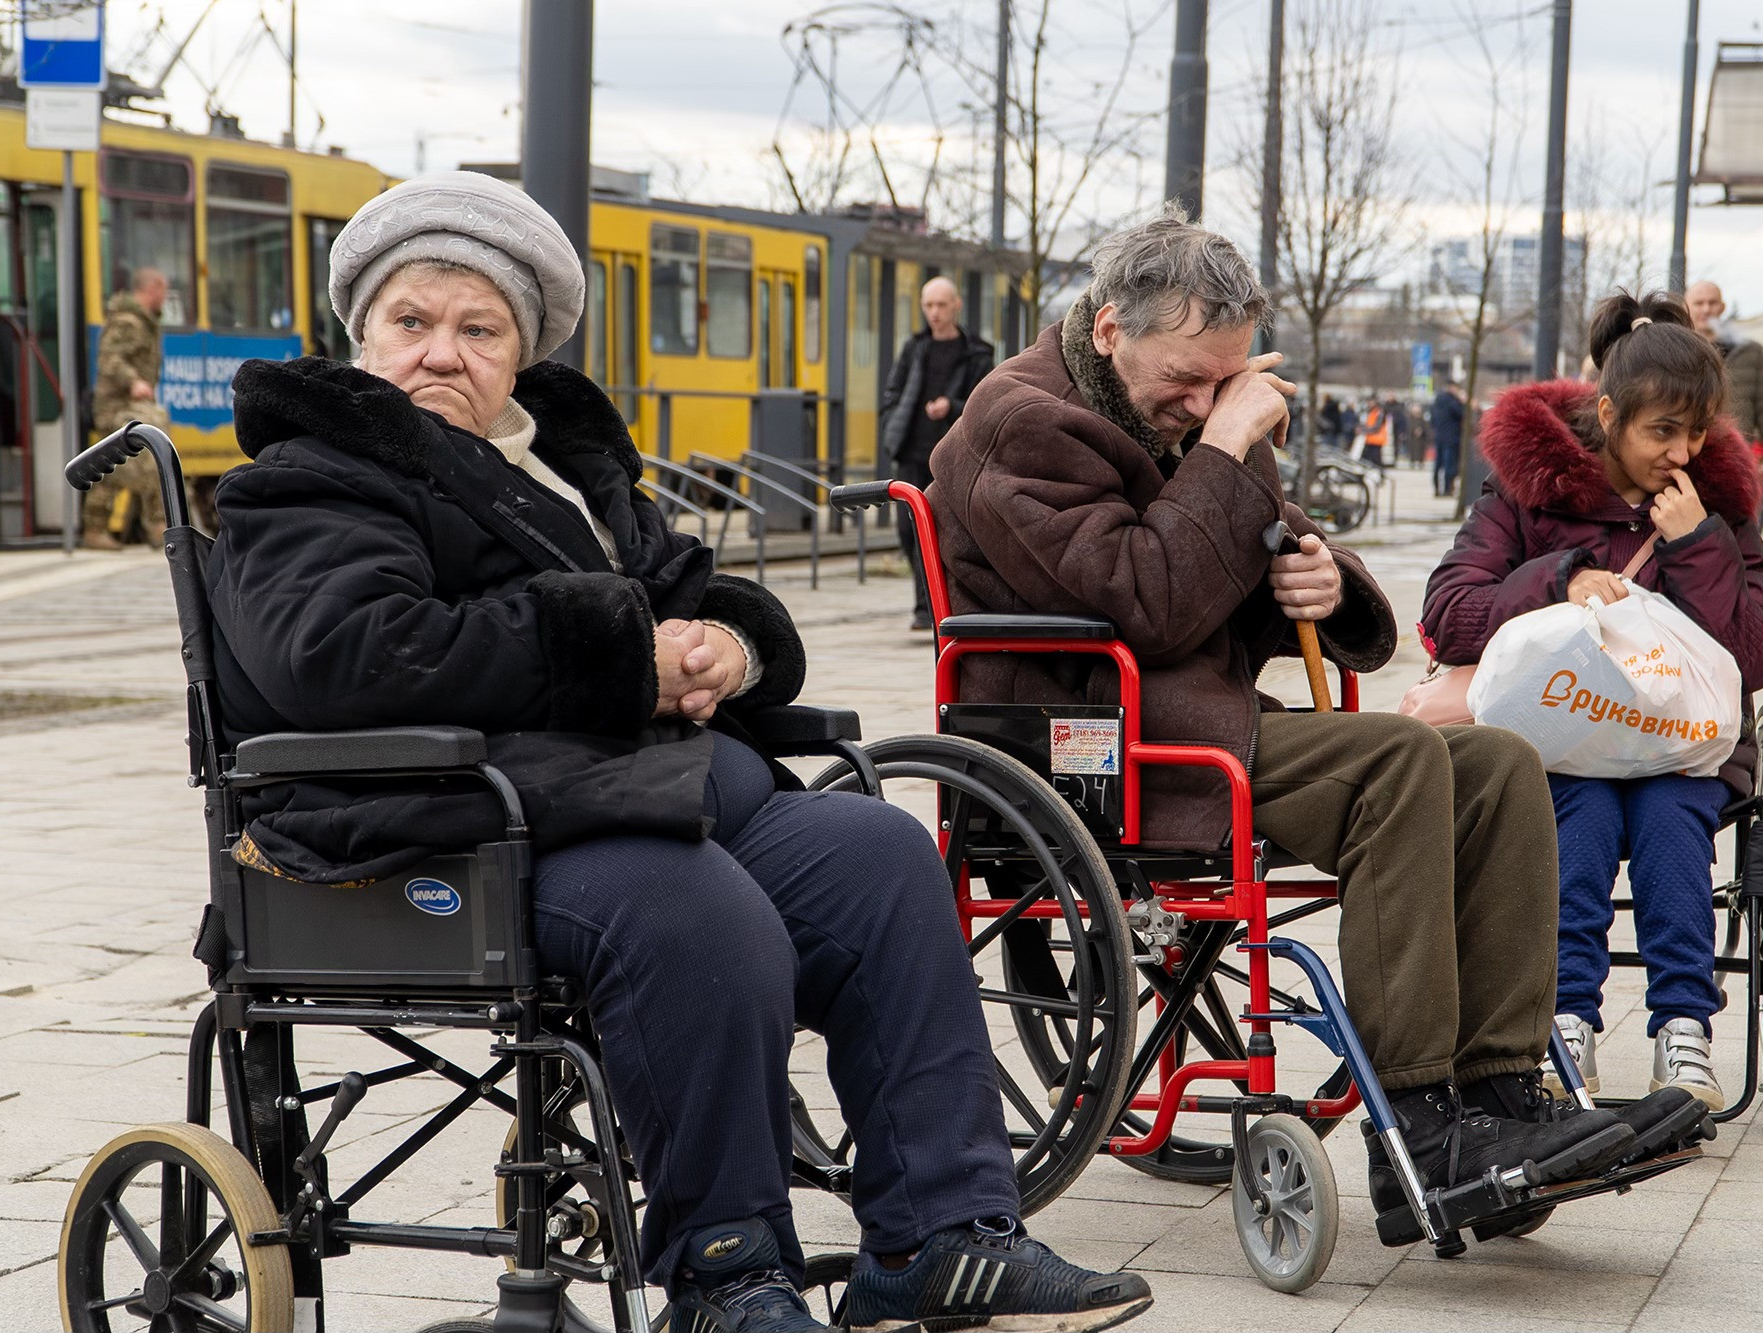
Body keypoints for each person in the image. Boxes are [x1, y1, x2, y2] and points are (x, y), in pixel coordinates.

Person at [204, 172, 1150, 1333]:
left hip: (634, 797)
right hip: (436, 821)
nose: (440, 353)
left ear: (520, 351)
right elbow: (344, 654)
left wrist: (724, 650)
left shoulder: (559, 468)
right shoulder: (309, 477)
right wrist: (619, 656)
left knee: (880, 858)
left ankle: (941, 1233)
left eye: (476, 327)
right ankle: (725, 1274)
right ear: (362, 334)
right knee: (695, 910)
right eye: (412, 322)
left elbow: (696, 593)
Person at [926, 212, 1702, 1228]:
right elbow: (1144, 599)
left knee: (1497, 762)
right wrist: (1220, 441)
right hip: (1091, 741)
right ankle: (1423, 1123)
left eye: (1223, 379)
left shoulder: (1181, 415)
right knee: (1396, 766)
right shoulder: (1018, 419)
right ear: (1110, 326)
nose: (1204, 400)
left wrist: (1320, 577)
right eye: (1190, 378)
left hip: (1190, 721)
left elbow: (1261, 550)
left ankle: (1502, 1087)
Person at [1423, 293, 1763, 1110]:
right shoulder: (1530, 491)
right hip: (1562, 738)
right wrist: (1557, 579)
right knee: (1577, 824)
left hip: (1682, 742)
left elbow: (1757, 655)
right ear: (1610, 413)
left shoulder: (1716, 505)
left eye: (1696, 432)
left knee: (1668, 823)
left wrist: (1698, 546)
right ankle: (1566, 1022)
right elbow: (1449, 614)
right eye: (1663, 431)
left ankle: (1684, 1028)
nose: (1683, 451)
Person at [879, 276, 994, 631]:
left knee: (944, 532)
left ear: (956, 306)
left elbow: (985, 404)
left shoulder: (977, 353)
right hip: (911, 454)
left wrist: (952, 405)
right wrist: (892, 424)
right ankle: (924, 604)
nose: (934, 313)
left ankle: (933, 608)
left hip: (951, 460)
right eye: (928, 305)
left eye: (941, 305)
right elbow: (892, 394)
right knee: (907, 528)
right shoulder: (915, 348)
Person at [80, 267, 171, 549]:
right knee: (130, 461)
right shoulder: (128, 322)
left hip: (134, 405)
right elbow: (109, 360)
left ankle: (156, 526)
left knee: (144, 457)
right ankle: (149, 527)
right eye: (163, 291)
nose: (165, 298)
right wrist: (133, 382)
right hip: (116, 407)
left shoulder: (145, 322)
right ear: (152, 288)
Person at [1684, 280, 1763, 497]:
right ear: (1686, 306)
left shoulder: (1749, 352)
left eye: (1712, 303)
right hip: (1686, 454)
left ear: (1722, 307)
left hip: (1736, 456)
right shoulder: (1676, 350)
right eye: (1699, 303)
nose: (1706, 309)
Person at [1431, 380, 1465, 496]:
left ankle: (1436, 488)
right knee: (1449, 464)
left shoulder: (1437, 400)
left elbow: (1432, 418)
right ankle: (1447, 489)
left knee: (1438, 464)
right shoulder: (1453, 401)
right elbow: (1462, 414)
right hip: (1451, 437)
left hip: (1439, 436)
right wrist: (1462, 402)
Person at [1359, 395, 1391, 467]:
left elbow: (1377, 427)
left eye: (1370, 401)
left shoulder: (1379, 412)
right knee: (1365, 459)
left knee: (1375, 460)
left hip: (1376, 439)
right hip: (1370, 439)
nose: (1369, 403)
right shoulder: (1371, 412)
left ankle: (1379, 473)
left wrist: (1364, 430)